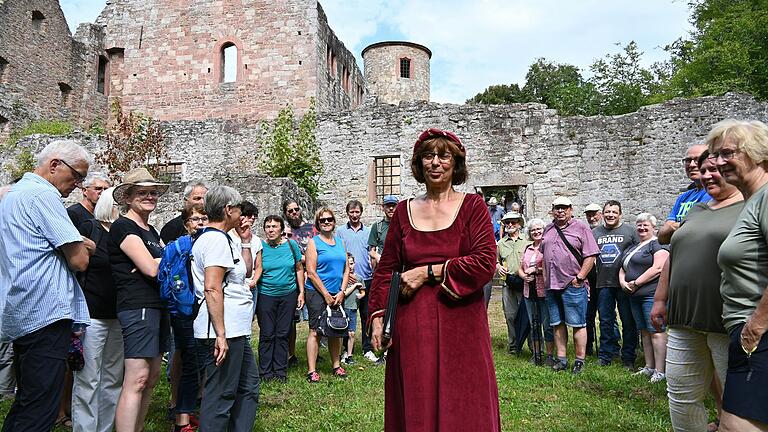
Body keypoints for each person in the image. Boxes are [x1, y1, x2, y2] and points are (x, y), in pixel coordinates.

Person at [369, 128, 500, 431]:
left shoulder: (473, 207)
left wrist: (428, 271)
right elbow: (387, 268)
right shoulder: (403, 211)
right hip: (413, 323)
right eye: (428, 156)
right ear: (419, 163)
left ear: (456, 164)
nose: (436, 163)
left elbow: (484, 262)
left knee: (464, 398)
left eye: (444, 156)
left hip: (462, 323)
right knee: (417, 395)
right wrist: (377, 315)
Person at [0, 140, 95, 431]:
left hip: (23, 308)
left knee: (28, 401)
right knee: (41, 409)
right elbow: (79, 259)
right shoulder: (43, 194)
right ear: (54, 165)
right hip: (46, 311)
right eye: (77, 176)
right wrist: (83, 244)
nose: (78, 185)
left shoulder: (15, 194)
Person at [650, 150, 743, 431]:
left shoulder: (751, 205)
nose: (706, 175)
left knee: (738, 399)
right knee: (680, 395)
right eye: (703, 170)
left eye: (714, 169)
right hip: (683, 319)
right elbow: (674, 254)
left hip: (725, 319)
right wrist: (660, 298)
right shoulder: (697, 209)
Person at [709, 119, 768, 431]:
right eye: (716, 154)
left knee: (735, 425)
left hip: (758, 335)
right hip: (750, 333)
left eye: (727, 153)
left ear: (758, 153)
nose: (718, 162)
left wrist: (756, 325)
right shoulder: (753, 201)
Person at [191, 186, 258, 430]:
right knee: (221, 394)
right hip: (222, 330)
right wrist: (220, 334)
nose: (242, 213)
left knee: (247, 386)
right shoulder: (215, 241)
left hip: (234, 329)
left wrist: (247, 241)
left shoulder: (225, 239)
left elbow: (244, 273)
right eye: (239, 208)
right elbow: (212, 288)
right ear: (228, 209)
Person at [109, 167, 169, 431]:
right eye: (142, 192)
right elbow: (153, 269)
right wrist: (161, 260)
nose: (149, 197)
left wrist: (160, 260)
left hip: (157, 305)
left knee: (152, 377)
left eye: (153, 192)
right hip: (138, 306)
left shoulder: (151, 230)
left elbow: (163, 263)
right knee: (137, 378)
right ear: (128, 197)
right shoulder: (124, 226)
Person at [71, 186, 124, 432]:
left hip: (119, 315)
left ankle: (104, 427)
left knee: (113, 378)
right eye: (119, 204)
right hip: (92, 315)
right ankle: (84, 428)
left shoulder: (124, 234)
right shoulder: (90, 230)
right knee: (88, 378)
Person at [541, 196, 599, 374]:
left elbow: (591, 255)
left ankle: (579, 361)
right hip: (552, 284)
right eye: (557, 207)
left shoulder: (580, 228)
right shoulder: (548, 228)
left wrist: (580, 278)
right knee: (557, 323)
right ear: (552, 209)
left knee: (578, 323)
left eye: (564, 208)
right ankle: (562, 359)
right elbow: (544, 255)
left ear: (571, 210)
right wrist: (545, 281)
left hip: (572, 284)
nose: (560, 211)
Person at [166, 203, 208, 432]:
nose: (199, 223)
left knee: (198, 361)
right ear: (186, 224)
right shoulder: (179, 247)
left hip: (202, 310)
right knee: (189, 362)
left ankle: (188, 411)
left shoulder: (209, 243)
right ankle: (182, 419)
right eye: (195, 219)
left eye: (203, 218)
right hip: (184, 311)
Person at [619, 213, 669, 383]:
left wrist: (636, 283)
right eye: (639, 225)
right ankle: (649, 367)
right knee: (644, 332)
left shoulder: (657, 245)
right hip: (634, 295)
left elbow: (658, 267)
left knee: (656, 331)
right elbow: (622, 267)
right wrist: (622, 282)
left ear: (653, 227)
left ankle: (661, 370)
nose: (641, 228)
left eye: (645, 225)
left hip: (651, 295)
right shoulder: (633, 247)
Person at [254, 215, 303, 383]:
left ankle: (280, 371)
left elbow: (298, 268)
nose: (271, 229)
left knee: (283, 333)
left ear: (282, 230)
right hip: (266, 295)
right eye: (268, 226)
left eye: (275, 226)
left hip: (288, 295)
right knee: (267, 333)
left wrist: (301, 292)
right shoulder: (260, 246)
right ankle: (265, 372)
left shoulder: (291, 245)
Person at [304, 207, 350, 382]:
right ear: (318, 223)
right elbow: (311, 271)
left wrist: (342, 292)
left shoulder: (340, 242)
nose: (326, 222)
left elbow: (346, 269)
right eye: (322, 220)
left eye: (329, 219)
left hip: (337, 292)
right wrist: (325, 295)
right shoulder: (313, 243)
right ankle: (312, 370)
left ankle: (336, 365)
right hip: (316, 292)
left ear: (334, 221)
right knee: (315, 330)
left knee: (336, 329)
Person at [592, 200, 639, 368]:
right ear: (602, 214)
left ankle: (628, 357)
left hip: (624, 283)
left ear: (620, 214)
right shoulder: (595, 232)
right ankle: (606, 354)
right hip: (603, 283)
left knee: (628, 321)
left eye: (614, 212)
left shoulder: (631, 232)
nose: (610, 215)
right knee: (605, 320)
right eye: (608, 212)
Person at [336, 200, 374, 363]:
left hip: (366, 277)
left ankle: (367, 348)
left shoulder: (368, 231)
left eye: (357, 212)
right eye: (351, 212)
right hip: (348, 279)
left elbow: (371, 252)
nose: (354, 215)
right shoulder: (340, 231)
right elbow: (339, 253)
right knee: (347, 315)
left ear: (361, 212)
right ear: (347, 213)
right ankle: (346, 349)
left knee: (366, 315)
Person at [282, 199, 315, 367]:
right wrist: (304, 259)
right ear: (286, 213)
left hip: (312, 277)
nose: (294, 212)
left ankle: (315, 349)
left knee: (315, 316)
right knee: (292, 320)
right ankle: (291, 353)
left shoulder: (311, 229)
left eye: (296, 209)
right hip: (293, 278)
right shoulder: (284, 230)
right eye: (290, 211)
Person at [366, 195, 398, 364]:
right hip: (383, 273)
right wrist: (381, 259)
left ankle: (397, 348)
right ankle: (384, 349)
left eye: (393, 206)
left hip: (399, 273)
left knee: (398, 310)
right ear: (383, 208)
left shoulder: (402, 226)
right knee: (382, 310)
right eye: (388, 206)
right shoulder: (377, 227)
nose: (391, 209)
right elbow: (371, 250)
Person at [518, 218, 555, 365]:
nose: (536, 232)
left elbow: (552, 266)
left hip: (544, 292)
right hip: (529, 292)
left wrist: (537, 270)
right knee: (534, 324)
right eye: (533, 230)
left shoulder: (548, 246)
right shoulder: (528, 248)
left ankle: (550, 356)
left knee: (547, 324)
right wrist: (523, 276)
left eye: (539, 229)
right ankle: (536, 354)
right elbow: (521, 267)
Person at [658, 144, 710, 244]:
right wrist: (677, 226)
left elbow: (695, 226)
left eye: (697, 160)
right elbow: (662, 237)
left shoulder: (712, 193)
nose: (691, 165)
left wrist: (672, 226)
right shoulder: (683, 197)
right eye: (688, 160)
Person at [496, 211, 530, 354]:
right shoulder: (501, 243)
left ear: (519, 224)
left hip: (525, 283)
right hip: (507, 284)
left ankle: (533, 345)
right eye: (507, 222)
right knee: (510, 315)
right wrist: (497, 266)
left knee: (527, 315)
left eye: (513, 222)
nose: (510, 225)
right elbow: (495, 260)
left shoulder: (527, 241)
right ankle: (514, 345)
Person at [583, 202, 602, 356]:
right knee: (588, 314)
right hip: (589, 279)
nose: (592, 217)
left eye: (594, 214)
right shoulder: (584, 232)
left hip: (604, 279)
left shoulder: (605, 231)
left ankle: (609, 345)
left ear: (600, 214)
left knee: (606, 314)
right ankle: (588, 345)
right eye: (588, 214)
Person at [342, 253, 365, 365]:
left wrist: (361, 295)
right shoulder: (343, 278)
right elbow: (344, 293)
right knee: (342, 332)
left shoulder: (359, 278)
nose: (350, 266)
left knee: (352, 333)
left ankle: (349, 355)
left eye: (351, 264)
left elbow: (363, 290)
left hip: (353, 308)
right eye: (348, 264)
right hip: (343, 308)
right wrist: (355, 286)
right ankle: (341, 353)